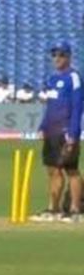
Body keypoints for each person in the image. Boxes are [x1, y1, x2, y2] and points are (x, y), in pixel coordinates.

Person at [33, 43, 82, 222]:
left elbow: (77, 107)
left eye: (61, 55)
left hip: (66, 130)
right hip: (52, 130)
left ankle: (75, 210)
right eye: (54, 55)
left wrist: (74, 132)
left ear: (68, 56)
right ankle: (53, 209)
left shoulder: (74, 77)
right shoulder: (52, 79)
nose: (57, 58)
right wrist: (43, 126)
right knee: (52, 170)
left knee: (71, 170)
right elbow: (51, 107)